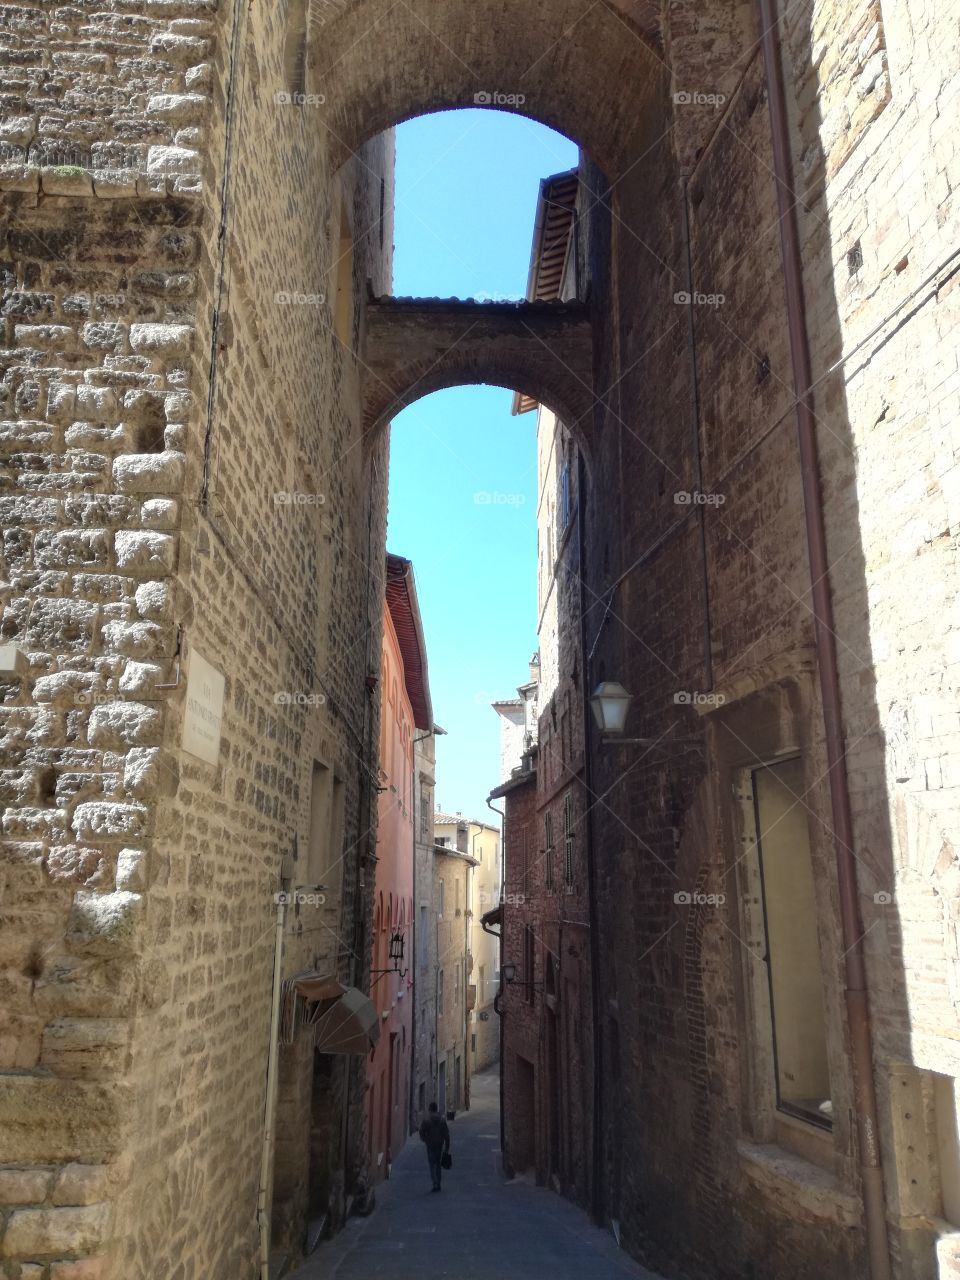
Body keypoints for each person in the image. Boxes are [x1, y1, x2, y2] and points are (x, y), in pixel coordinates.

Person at [418, 1102, 450, 1192]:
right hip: (440, 1145)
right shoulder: (442, 1120)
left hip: (430, 1145)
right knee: (438, 1164)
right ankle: (438, 1183)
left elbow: (421, 1132)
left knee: (432, 1165)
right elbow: (447, 1136)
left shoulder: (427, 1120)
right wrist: (447, 1148)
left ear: (430, 1109)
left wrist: (425, 1140)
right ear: (436, 1109)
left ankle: (435, 1183)